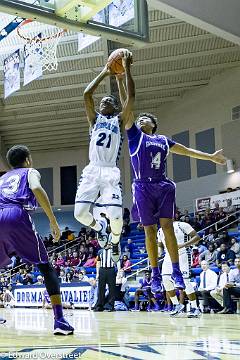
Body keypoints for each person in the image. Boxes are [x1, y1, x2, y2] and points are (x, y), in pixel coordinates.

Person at [116, 62, 226, 293]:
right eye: (139, 118)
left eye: (146, 118)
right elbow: (129, 102)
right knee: (149, 230)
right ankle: (155, 275)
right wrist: (120, 77)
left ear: (154, 124)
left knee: (167, 227)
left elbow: (187, 151)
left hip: (164, 186)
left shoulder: (164, 140)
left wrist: (210, 157)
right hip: (142, 187)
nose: (140, 119)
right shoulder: (135, 136)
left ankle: (176, 271)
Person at [0, 145, 73, 335]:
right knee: (45, 267)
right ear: (28, 159)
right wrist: (53, 221)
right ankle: (59, 320)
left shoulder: (2, 178)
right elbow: (36, 188)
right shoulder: (30, 171)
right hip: (16, 214)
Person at [74, 49, 134, 263]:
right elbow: (87, 95)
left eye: (108, 100)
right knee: (80, 214)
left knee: (117, 219)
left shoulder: (119, 121)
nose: (103, 102)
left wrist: (125, 70)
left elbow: (131, 98)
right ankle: (100, 228)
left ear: (115, 106)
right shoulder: (94, 120)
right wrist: (105, 71)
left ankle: (115, 240)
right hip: (92, 169)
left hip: (110, 171)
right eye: (103, 101)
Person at [158, 221, 201, 317]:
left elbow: (197, 237)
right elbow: (160, 245)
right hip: (168, 256)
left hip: (183, 254)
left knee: (185, 282)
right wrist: (159, 252)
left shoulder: (182, 225)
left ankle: (195, 308)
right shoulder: (160, 230)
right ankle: (177, 305)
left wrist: (183, 245)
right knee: (166, 281)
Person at [94, 244, 116, 312]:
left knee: (112, 288)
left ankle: (110, 306)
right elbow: (98, 262)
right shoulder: (100, 251)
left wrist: (119, 270)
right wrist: (97, 273)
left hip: (111, 269)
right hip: (102, 270)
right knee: (101, 289)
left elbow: (117, 261)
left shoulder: (113, 251)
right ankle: (99, 306)